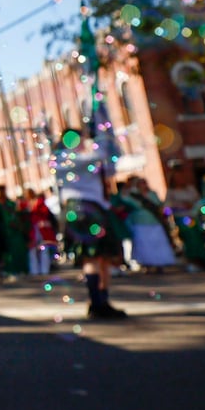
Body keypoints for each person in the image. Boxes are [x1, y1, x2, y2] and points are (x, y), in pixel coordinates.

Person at [53, 129, 128, 318]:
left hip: (84, 209)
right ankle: (97, 303)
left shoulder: (68, 158)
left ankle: (100, 300)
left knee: (98, 258)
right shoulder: (69, 158)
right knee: (95, 257)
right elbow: (105, 154)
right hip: (87, 209)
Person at [118, 176, 177, 274]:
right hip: (140, 223)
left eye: (144, 183)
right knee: (144, 245)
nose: (144, 185)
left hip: (154, 222)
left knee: (157, 243)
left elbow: (159, 204)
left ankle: (159, 264)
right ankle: (147, 264)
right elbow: (126, 199)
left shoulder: (152, 194)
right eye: (141, 183)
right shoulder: (132, 195)